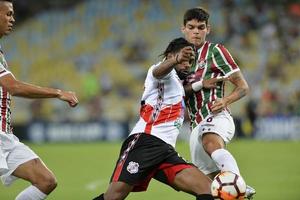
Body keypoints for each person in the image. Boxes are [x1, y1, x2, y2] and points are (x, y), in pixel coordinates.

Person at [93, 38, 219, 200]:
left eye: (190, 61)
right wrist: (175, 60)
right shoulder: (161, 72)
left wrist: (200, 84)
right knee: (113, 197)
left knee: (208, 189)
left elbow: (180, 92)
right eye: (185, 59)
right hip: (145, 141)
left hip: (165, 150)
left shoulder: (175, 82)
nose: (187, 65)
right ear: (170, 56)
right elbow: (158, 72)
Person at [0, 0, 79, 199]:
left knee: (46, 180)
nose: (13, 19)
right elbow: (13, 86)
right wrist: (58, 93)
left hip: (5, 138)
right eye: (8, 14)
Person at [180, 7, 256, 199]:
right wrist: (199, 85)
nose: (196, 31)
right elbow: (175, 92)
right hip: (195, 125)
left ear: (208, 29)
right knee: (211, 187)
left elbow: (243, 87)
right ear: (183, 29)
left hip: (216, 115)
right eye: (191, 27)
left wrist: (226, 100)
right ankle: (235, 191)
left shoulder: (216, 51)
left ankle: (237, 181)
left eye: (201, 27)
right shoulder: (177, 58)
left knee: (211, 141)